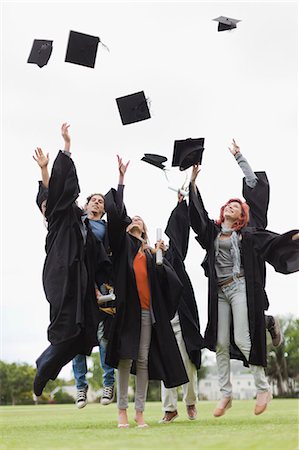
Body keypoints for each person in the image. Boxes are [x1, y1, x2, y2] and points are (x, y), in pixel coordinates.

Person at [188, 155, 299, 417]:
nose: (231, 207)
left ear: (242, 216)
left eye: (236, 207)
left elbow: (272, 241)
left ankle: (263, 388)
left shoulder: (247, 234)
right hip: (219, 291)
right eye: (228, 205)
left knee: (242, 337)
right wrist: (192, 182)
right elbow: (197, 216)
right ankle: (226, 394)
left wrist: (293, 236)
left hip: (239, 288)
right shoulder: (212, 233)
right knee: (220, 342)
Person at [104, 156, 189, 428]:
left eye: (140, 219)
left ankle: (140, 413)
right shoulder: (122, 248)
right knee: (125, 361)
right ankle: (122, 412)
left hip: (146, 313)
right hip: (127, 311)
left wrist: (161, 259)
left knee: (141, 360)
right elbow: (116, 216)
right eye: (133, 220)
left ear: (145, 229)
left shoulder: (151, 256)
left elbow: (169, 284)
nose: (136, 221)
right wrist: (121, 181)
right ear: (129, 228)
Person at [32, 124, 111, 397]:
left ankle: (45, 364)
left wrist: (102, 286)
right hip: (61, 277)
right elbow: (53, 194)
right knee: (67, 329)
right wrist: (62, 152)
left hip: (80, 284)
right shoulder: (58, 218)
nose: (47, 205)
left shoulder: (82, 226)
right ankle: (44, 367)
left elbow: (97, 257)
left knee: (82, 334)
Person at [230, 139, 283, 347]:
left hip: (252, 270)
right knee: (237, 316)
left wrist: (239, 158)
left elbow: (253, 182)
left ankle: (267, 322)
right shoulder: (232, 226)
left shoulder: (255, 215)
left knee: (252, 307)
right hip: (233, 276)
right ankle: (264, 324)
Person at [159, 192, 204, 423]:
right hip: (162, 320)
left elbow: (178, 236)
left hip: (182, 315)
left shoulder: (173, 258)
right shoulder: (146, 259)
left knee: (188, 363)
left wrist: (180, 206)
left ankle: (190, 403)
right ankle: (169, 408)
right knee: (168, 363)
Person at [71, 193, 116, 409]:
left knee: (103, 335)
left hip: (100, 282)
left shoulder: (106, 229)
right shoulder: (77, 223)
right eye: (94, 200)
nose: (97, 202)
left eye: (101, 201)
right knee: (77, 336)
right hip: (78, 282)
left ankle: (109, 383)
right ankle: (81, 387)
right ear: (86, 204)